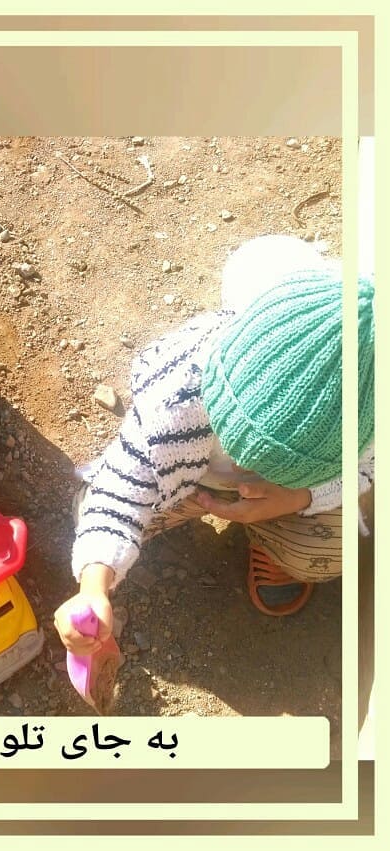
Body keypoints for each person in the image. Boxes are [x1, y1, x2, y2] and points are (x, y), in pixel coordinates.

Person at [54, 235, 374, 666]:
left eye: (281, 464)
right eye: (240, 442)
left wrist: (300, 495)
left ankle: (272, 540)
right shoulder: (177, 399)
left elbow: (370, 468)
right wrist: (92, 587)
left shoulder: (371, 411)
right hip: (189, 476)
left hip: (280, 499)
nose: (244, 464)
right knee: (97, 513)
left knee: (332, 550)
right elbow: (120, 493)